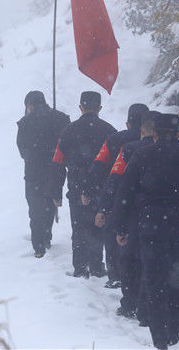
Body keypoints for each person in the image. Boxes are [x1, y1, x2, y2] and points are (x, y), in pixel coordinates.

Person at [112, 113, 179, 350]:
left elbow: (124, 194)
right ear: (178, 134)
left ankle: (159, 338)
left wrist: (120, 227)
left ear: (154, 134)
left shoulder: (141, 156)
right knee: (176, 278)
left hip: (151, 228)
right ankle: (172, 332)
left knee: (154, 280)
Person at [96, 110, 160, 324]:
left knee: (130, 259)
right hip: (164, 217)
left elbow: (114, 182)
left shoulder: (129, 150)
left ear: (142, 130)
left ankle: (130, 304)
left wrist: (104, 208)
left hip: (134, 213)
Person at [83, 103, 149, 288]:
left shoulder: (113, 140)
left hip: (117, 195)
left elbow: (98, 166)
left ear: (127, 123)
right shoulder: (156, 141)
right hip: (146, 200)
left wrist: (88, 189)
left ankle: (116, 275)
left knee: (113, 235)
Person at [51, 91, 116, 278]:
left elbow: (58, 162)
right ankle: (96, 265)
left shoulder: (68, 131)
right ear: (99, 108)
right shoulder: (109, 131)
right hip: (102, 188)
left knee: (79, 228)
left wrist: (56, 191)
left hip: (76, 188)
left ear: (80, 107)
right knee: (98, 227)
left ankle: (80, 267)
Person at [17, 91, 70, 258]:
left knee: (35, 208)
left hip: (34, 172)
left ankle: (39, 246)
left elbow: (22, 149)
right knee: (50, 204)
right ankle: (47, 237)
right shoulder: (61, 118)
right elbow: (67, 143)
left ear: (30, 105)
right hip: (56, 169)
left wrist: (34, 156)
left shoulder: (25, 122)